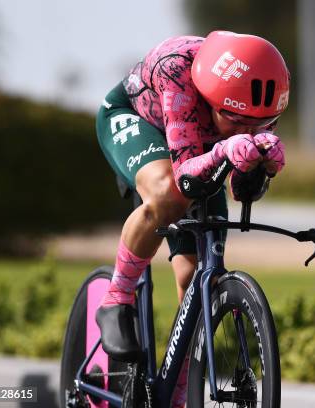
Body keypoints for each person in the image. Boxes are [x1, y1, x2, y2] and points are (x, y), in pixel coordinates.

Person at [94, 31, 289, 406]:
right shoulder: (178, 71)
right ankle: (115, 298)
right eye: (236, 120)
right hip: (138, 120)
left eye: (262, 124)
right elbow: (185, 176)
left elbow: (237, 185)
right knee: (167, 193)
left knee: (193, 277)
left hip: (201, 145)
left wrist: (257, 169)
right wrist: (227, 150)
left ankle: (177, 395)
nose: (248, 130)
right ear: (213, 99)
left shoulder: (252, 100)